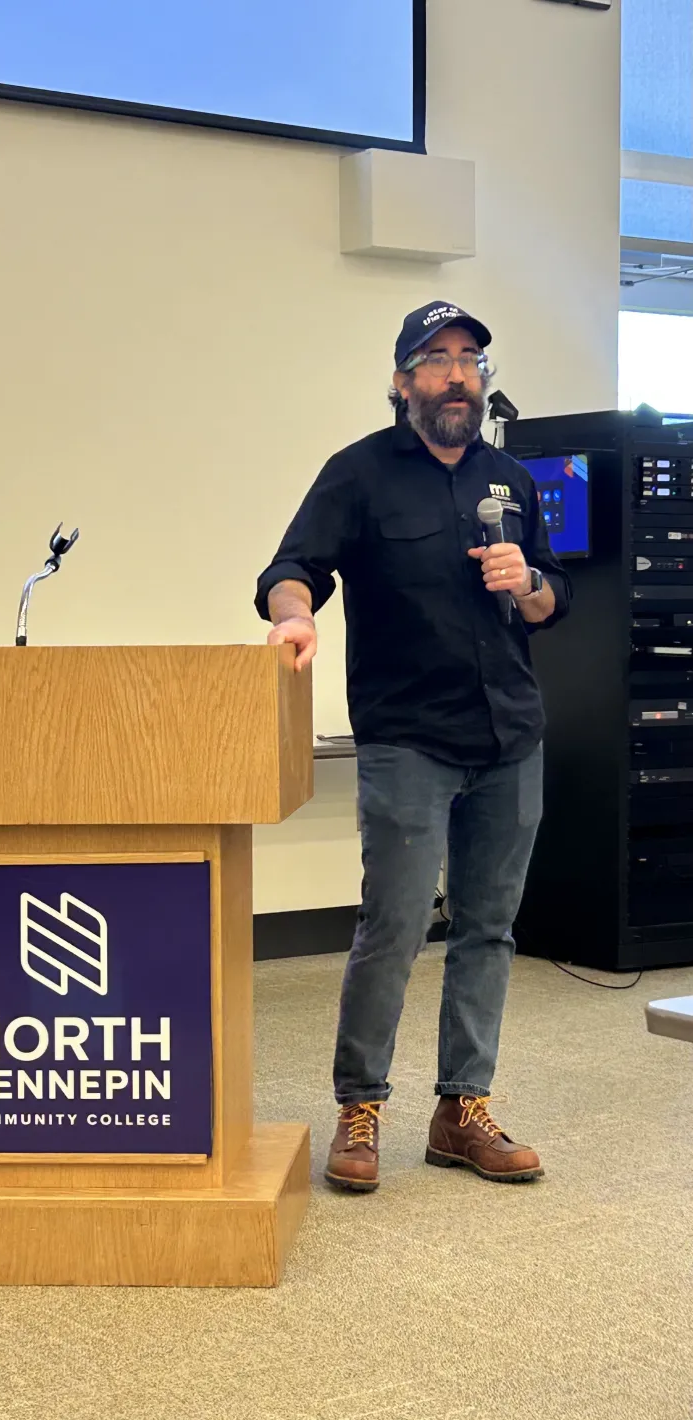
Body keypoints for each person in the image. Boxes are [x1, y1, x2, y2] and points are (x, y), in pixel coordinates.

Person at [255, 301, 571, 1191]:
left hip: (510, 732)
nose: (456, 374)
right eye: (436, 359)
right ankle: (361, 1108)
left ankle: (461, 1110)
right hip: (408, 739)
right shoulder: (358, 474)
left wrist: (533, 584)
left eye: (470, 358)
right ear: (402, 382)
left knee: (489, 929)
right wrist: (292, 621)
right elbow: (292, 568)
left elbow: (557, 598)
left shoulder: (512, 477)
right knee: (392, 925)